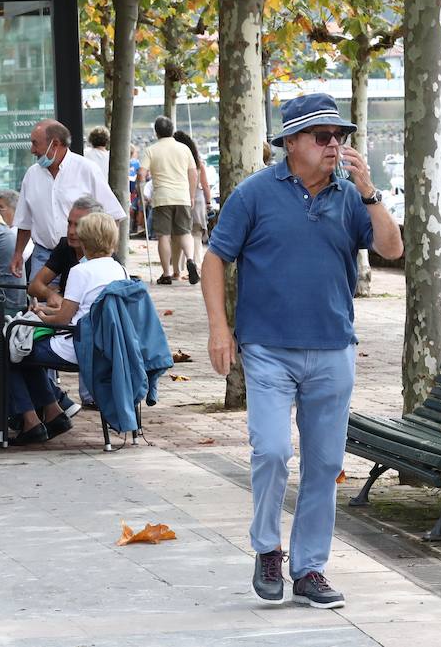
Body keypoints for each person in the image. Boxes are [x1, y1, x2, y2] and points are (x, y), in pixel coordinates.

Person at [203, 93, 403, 608]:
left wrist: (370, 190)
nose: (335, 144)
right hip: (267, 348)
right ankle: (267, 548)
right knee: (272, 451)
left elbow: (392, 248)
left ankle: (310, 568)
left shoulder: (350, 196)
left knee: (324, 464)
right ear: (291, 142)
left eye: (340, 136)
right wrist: (219, 330)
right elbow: (214, 259)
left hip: (334, 350)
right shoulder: (254, 194)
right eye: (323, 136)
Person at [9, 213, 126, 444]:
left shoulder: (80, 271)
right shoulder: (119, 270)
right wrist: (47, 314)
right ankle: (53, 411)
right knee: (24, 352)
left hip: (77, 345)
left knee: (11, 350)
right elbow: (85, 310)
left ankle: (31, 420)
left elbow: (63, 319)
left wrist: (40, 316)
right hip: (108, 345)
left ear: (85, 241)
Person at [9, 120, 124, 280]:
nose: (32, 150)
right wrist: (18, 253)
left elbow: (112, 216)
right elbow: (24, 222)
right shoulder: (31, 175)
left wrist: (104, 256)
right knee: (39, 301)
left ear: (55, 144)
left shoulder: (87, 169)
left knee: (81, 303)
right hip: (44, 256)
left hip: (82, 257)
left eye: (35, 144)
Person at [144, 116, 198, 286]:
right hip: (182, 196)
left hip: (162, 197)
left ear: (156, 132)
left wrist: (141, 180)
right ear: (172, 130)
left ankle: (166, 273)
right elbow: (193, 173)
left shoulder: (151, 150)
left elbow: (141, 173)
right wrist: (191, 195)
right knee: (184, 233)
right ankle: (190, 259)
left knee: (164, 236)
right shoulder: (184, 149)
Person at [173, 130, 212, 265]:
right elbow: (205, 185)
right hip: (198, 200)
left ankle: (180, 267)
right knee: (195, 234)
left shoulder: (177, 163)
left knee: (181, 234)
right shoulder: (198, 163)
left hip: (181, 198)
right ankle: (197, 264)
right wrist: (208, 202)